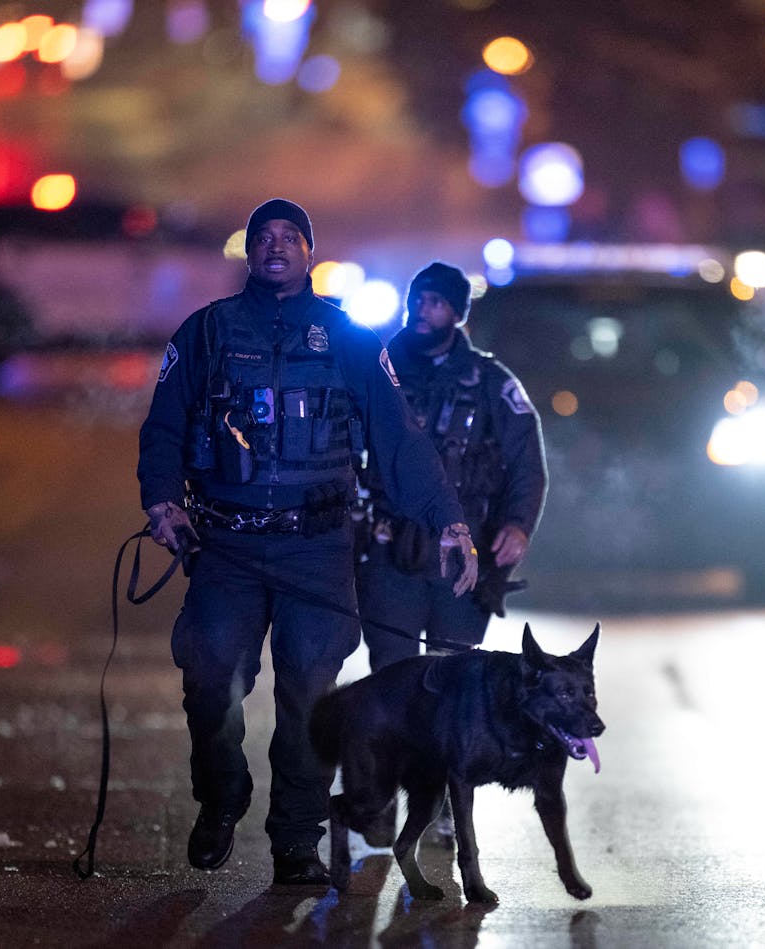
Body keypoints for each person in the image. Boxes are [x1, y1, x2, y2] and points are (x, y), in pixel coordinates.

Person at [137, 199, 479, 885]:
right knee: (209, 678)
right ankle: (222, 793)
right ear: (249, 252)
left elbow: (399, 439)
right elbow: (164, 428)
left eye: (290, 237)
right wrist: (162, 501)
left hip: (317, 547)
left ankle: (295, 839)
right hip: (226, 546)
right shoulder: (205, 333)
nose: (275, 246)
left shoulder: (348, 339)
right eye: (263, 237)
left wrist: (450, 520)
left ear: (309, 253)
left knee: (309, 697)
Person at [357, 261, 547, 672]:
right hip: (389, 544)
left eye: (437, 302)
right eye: (418, 300)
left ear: (458, 313)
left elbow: (526, 463)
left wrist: (517, 524)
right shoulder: (377, 372)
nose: (423, 309)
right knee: (393, 675)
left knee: (452, 675)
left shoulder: (491, 382)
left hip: (464, 548)